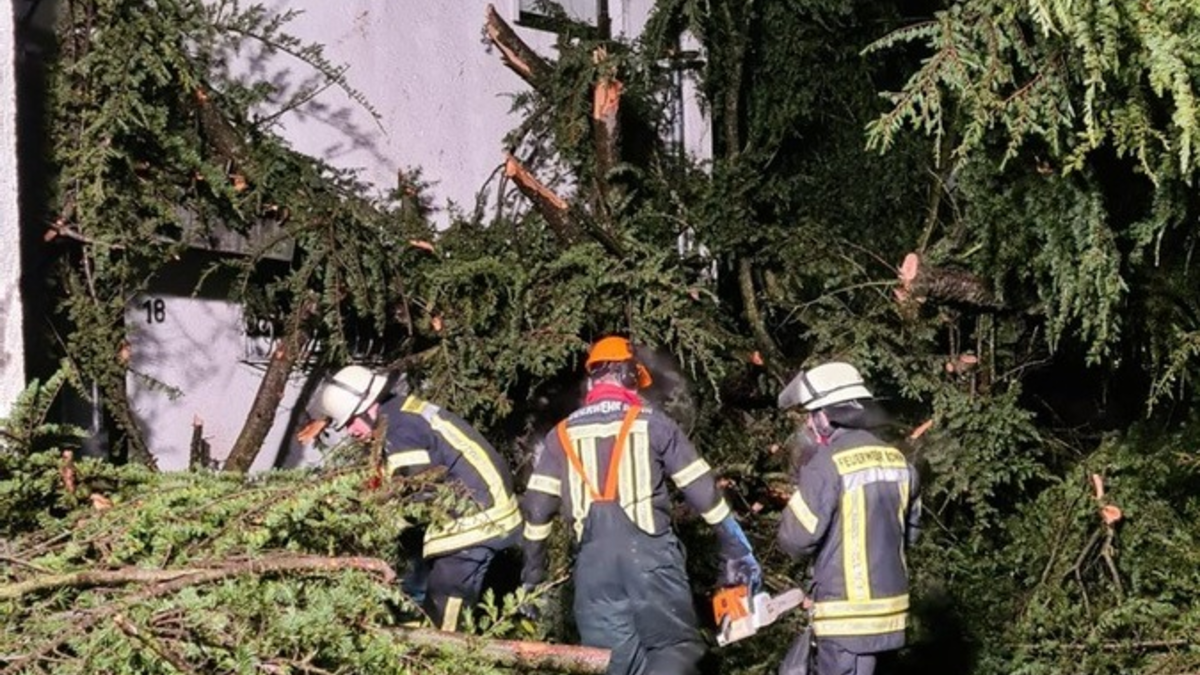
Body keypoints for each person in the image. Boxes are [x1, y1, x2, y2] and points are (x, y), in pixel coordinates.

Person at [520, 335, 761, 675]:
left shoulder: (560, 436)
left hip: (593, 573)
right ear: (628, 375)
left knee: (614, 665)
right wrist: (738, 548)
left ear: (593, 379)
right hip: (651, 563)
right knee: (675, 651)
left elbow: (536, 513)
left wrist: (532, 580)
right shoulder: (654, 424)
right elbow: (704, 493)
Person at [308, 365, 522, 632]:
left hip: (475, 522)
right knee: (420, 584)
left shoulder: (399, 431)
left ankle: (444, 652)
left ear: (368, 408)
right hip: (486, 509)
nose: (350, 431)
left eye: (351, 421)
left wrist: (371, 522)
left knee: (446, 607)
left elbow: (414, 493)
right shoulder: (399, 412)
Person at [774, 362, 921, 675]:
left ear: (826, 417)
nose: (809, 424)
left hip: (847, 623)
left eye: (812, 414)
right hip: (892, 617)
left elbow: (794, 538)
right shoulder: (899, 462)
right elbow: (910, 534)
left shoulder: (825, 465)